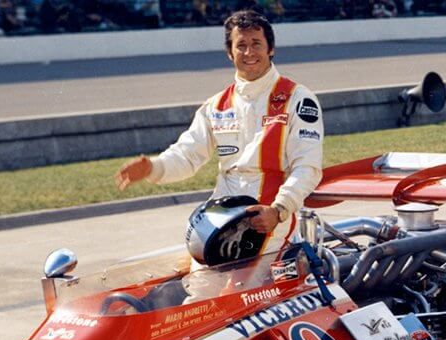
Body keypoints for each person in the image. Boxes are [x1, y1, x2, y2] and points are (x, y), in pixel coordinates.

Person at [115, 9, 324, 265]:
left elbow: (308, 167)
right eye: (241, 45)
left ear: (271, 49)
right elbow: (187, 154)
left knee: (241, 295)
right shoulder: (216, 105)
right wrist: (153, 167)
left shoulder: (298, 98)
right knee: (201, 290)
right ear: (230, 53)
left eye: (256, 44)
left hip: (270, 220)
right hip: (221, 218)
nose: (249, 53)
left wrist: (279, 210)